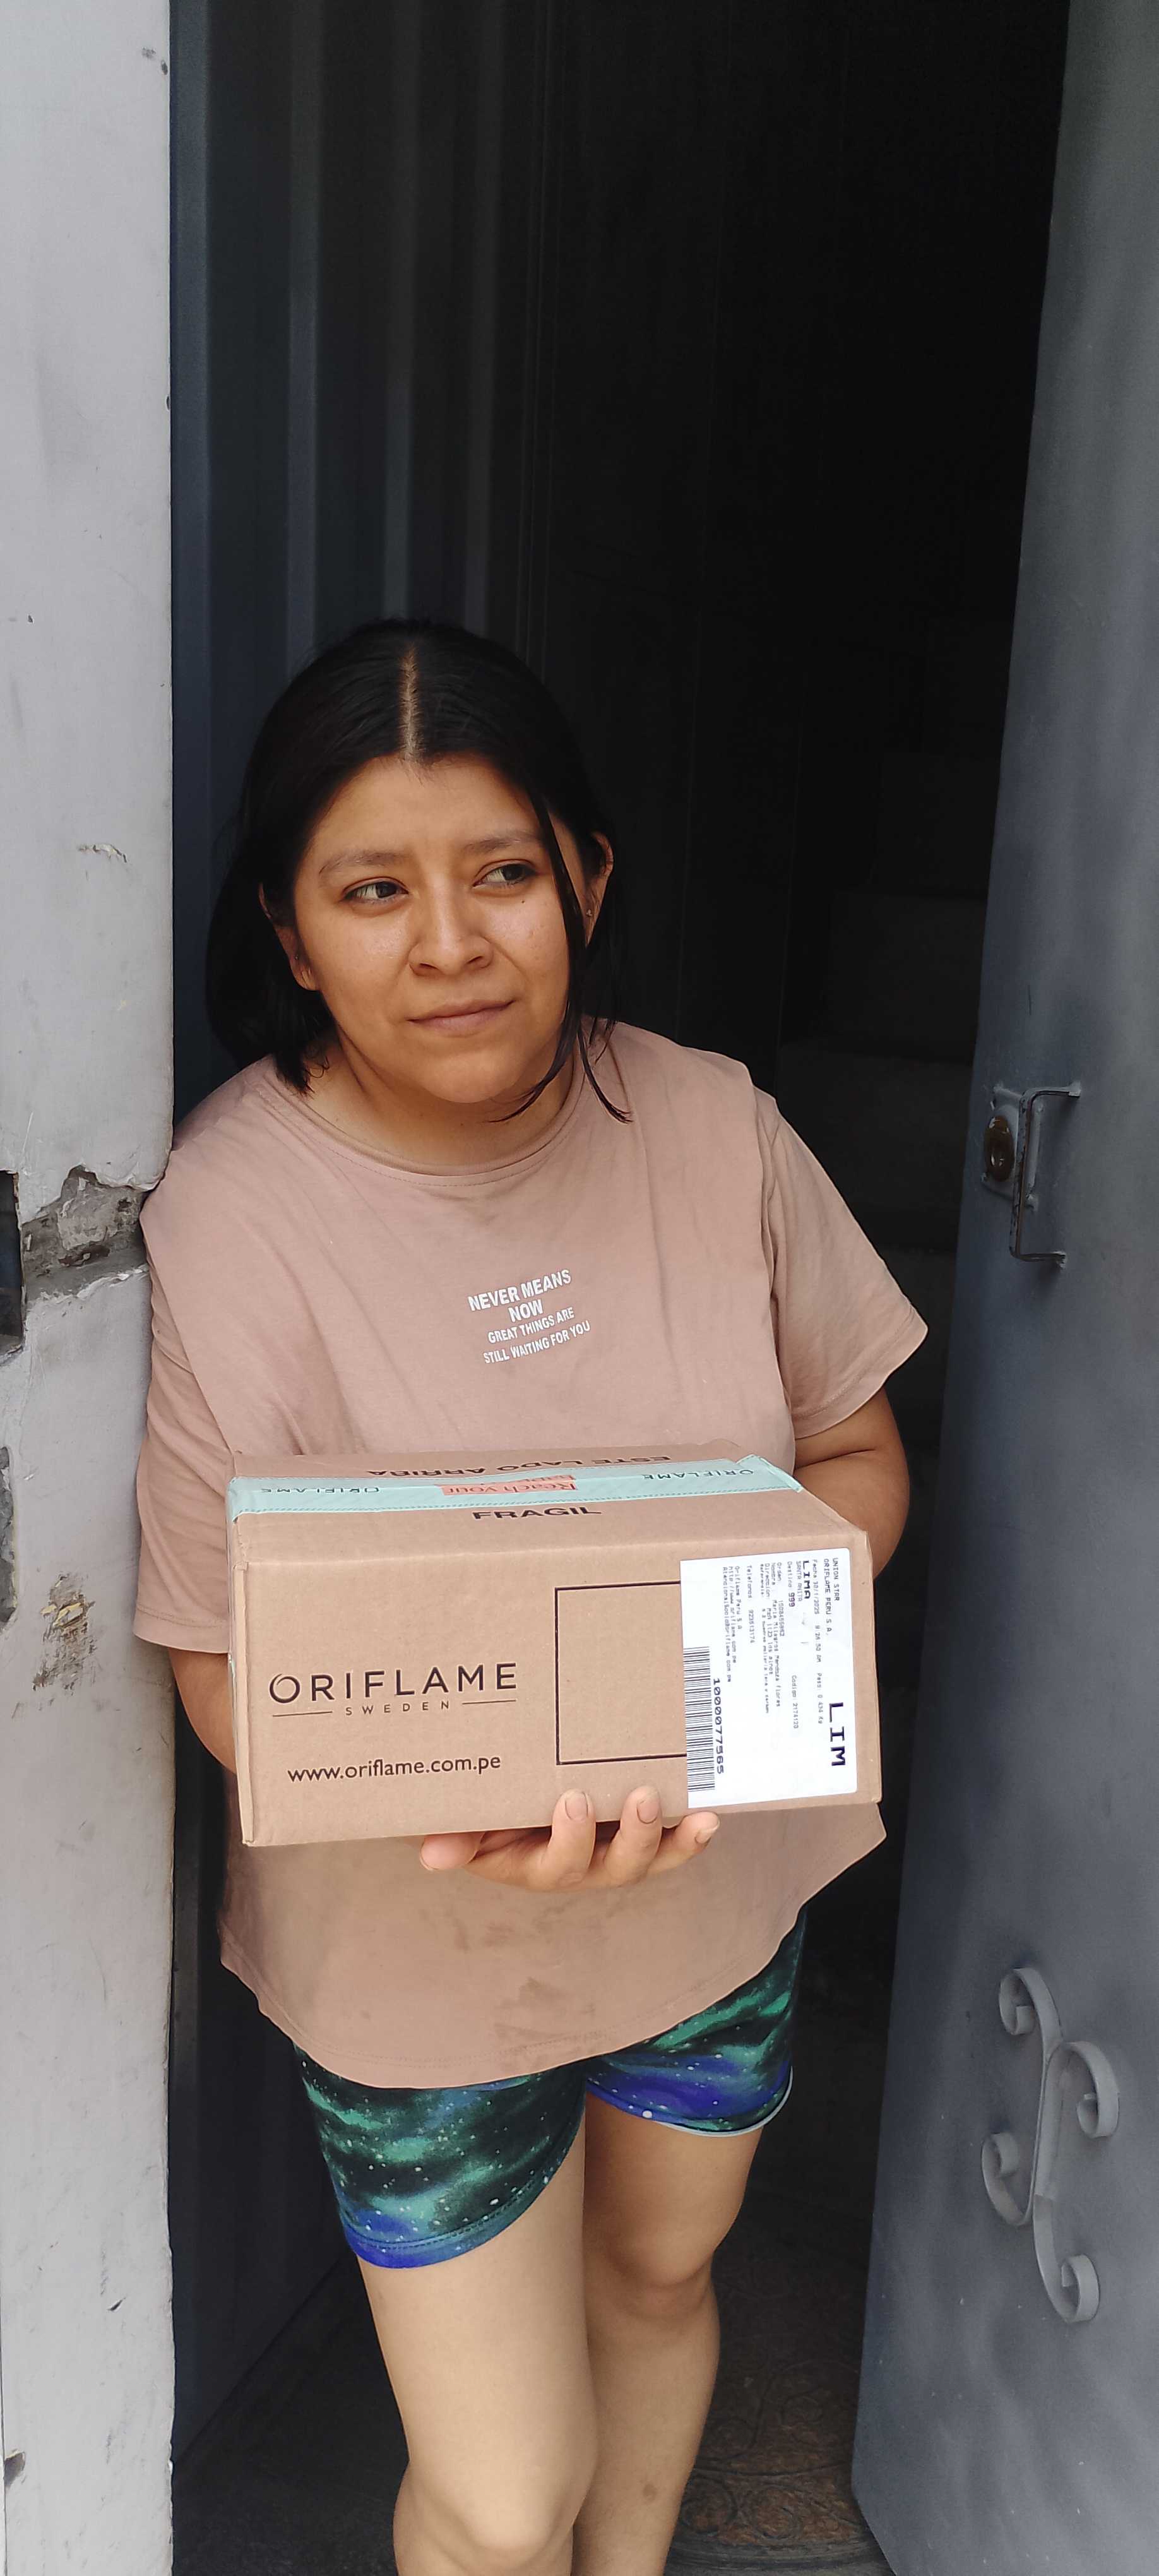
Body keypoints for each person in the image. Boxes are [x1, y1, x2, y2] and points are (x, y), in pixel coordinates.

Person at [134, 619, 925, 2576]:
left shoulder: (712, 1126)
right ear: (290, 931)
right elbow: (221, 1667)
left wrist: (668, 1704)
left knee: (657, 2284)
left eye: (499, 871)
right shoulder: (236, 1208)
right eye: (372, 891)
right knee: (497, 2503)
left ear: (584, 875)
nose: (449, 943)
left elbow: (856, 1461)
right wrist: (490, 1784)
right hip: (417, 1950)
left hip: (719, 1878)